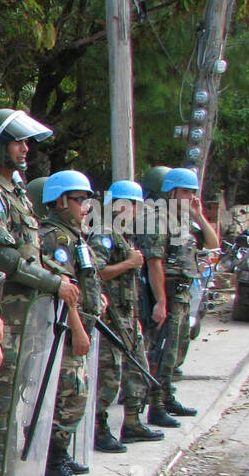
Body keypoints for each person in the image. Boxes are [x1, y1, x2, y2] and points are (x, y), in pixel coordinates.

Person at [0, 109, 80, 476]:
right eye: (17, 141)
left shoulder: (16, 193)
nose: (25, 149)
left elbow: (31, 254)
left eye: (25, 142)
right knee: (3, 405)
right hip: (12, 316)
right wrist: (54, 284)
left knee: (22, 402)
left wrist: (56, 278)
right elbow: (6, 259)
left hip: (30, 317)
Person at [37, 171, 104, 476]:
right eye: (80, 200)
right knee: (71, 394)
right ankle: (53, 459)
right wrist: (78, 329)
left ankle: (58, 454)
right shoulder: (56, 237)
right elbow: (63, 288)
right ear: (61, 201)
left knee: (75, 393)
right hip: (64, 330)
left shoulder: (73, 234)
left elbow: (83, 278)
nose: (85, 207)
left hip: (80, 323)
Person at [137, 166, 219, 425]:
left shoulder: (185, 219)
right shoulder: (158, 218)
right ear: (171, 192)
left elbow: (213, 245)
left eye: (193, 192)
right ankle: (155, 405)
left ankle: (167, 395)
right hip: (168, 292)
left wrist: (200, 216)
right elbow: (154, 262)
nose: (190, 196)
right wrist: (161, 301)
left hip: (183, 293)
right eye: (185, 191)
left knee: (176, 350)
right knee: (161, 351)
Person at [90, 181, 163, 449]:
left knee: (137, 369)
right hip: (110, 317)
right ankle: (99, 429)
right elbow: (95, 271)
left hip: (128, 315)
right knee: (109, 376)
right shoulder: (103, 233)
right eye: (133, 205)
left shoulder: (122, 234)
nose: (136, 211)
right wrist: (130, 263)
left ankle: (132, 422)